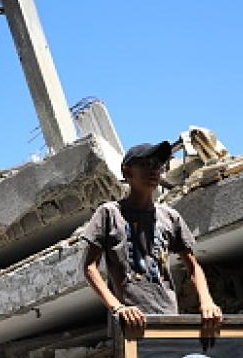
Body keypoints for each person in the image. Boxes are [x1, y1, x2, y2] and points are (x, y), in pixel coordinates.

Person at [81, 141, 222, 333]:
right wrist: (118, 308)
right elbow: (89, 267)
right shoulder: (109, 213)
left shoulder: (170, 217)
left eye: (157, 165)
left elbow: (193, 266)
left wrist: (207, 301)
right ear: (127, 172)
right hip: (129, 324)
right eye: (146, 164)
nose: (154, 170)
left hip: (168, 319)